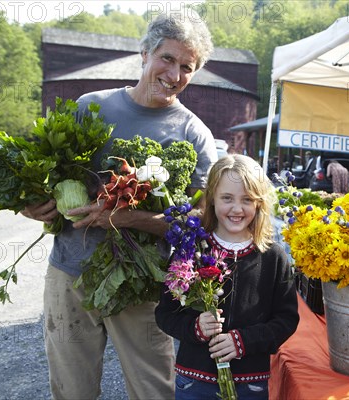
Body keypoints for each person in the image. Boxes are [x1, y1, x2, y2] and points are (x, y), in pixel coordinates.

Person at [21, 12, 217, 400]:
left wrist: (127, 218)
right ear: (144, 53)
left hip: (142, 283)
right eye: (168, 59)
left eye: (187, 68)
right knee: (71, 390)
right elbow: (45, 172)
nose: (175, 75)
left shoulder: (194, 134)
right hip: (70, 275)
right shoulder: (91, 108)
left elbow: (201, 218)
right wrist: (29, 202)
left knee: (153, 390)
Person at [155, 154, 300, 400]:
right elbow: (165, 314)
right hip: (194, 381)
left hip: (250, 384)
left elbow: (286, 320)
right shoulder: (191, 250)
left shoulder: (273, 257)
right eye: (227, 198)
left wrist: (243, 341)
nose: (236, 208)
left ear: (259, 203)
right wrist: (195, 328)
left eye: (247, 200)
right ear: (211, 200)